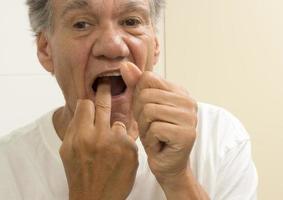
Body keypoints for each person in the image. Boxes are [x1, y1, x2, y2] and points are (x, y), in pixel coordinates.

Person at [0, 0, 258, 199]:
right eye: (82, 24)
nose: (113, 47)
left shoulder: (220, 137)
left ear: (155, 44)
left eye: (132, 21)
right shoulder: (7, 166)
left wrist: (178, 178)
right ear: (46, 50)